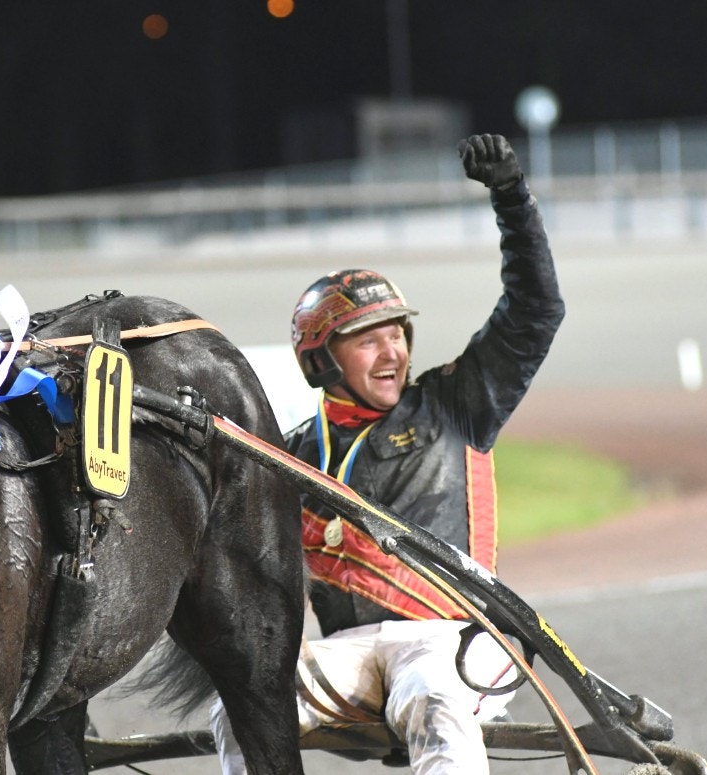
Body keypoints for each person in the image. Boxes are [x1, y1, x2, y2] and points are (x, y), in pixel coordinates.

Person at [211, 134, 565, 774]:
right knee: (242, 699)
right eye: (367, 340)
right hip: (348, 649)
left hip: (454, 640)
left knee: (432, 699)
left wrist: (512, 198)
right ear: (321, 360)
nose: (394, 352)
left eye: (397, 334)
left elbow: (537, 309)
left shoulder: (456, 404)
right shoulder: (292, 455)